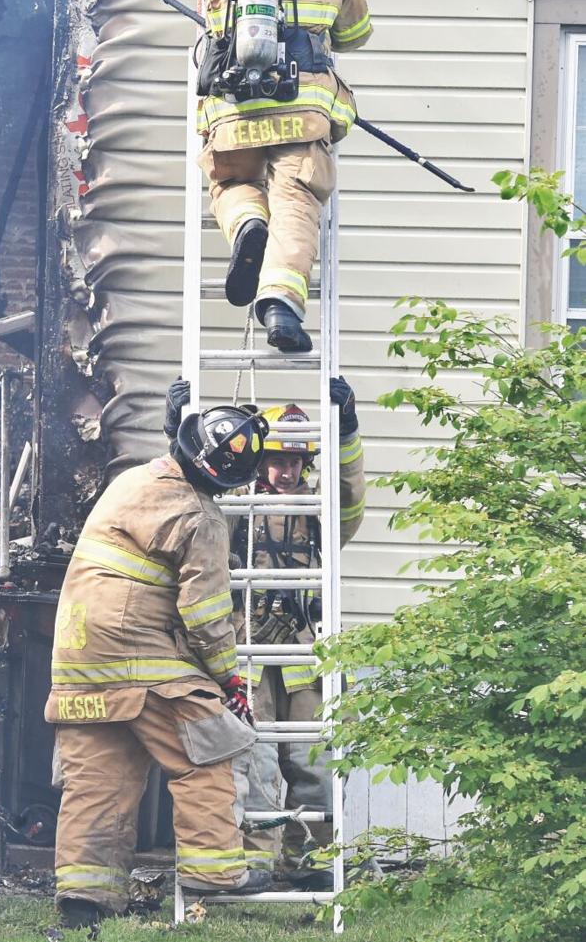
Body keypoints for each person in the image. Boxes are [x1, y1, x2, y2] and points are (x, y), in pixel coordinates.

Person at [47, 399, 274, 928]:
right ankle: (214, 870)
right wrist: (228, 679)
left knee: (100, 778)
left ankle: (85, 899)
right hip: (138, 655)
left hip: (77, 660)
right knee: (210, 749)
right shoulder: (201, 516)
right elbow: (206, 614)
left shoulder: (133, 480)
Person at [196, 0, 373, 353]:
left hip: (234, 112)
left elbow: (214, 32)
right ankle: (280, 305)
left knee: (233, 183)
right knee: (295, 201)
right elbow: (355, 34)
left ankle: (248, 223)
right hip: (301, 111)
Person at [226, 377, 364, 889]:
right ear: (260, 460)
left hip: (307, 656)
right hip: (250, 656)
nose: (286, 472)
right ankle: (256, 864)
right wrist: (180, 432)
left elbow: (350, 499)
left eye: (295, 463)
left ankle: (309, 861)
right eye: (277, 461)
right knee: (255, 761)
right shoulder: (236, 507)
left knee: (315, 762)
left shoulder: (321, 511)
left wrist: (347, 432)